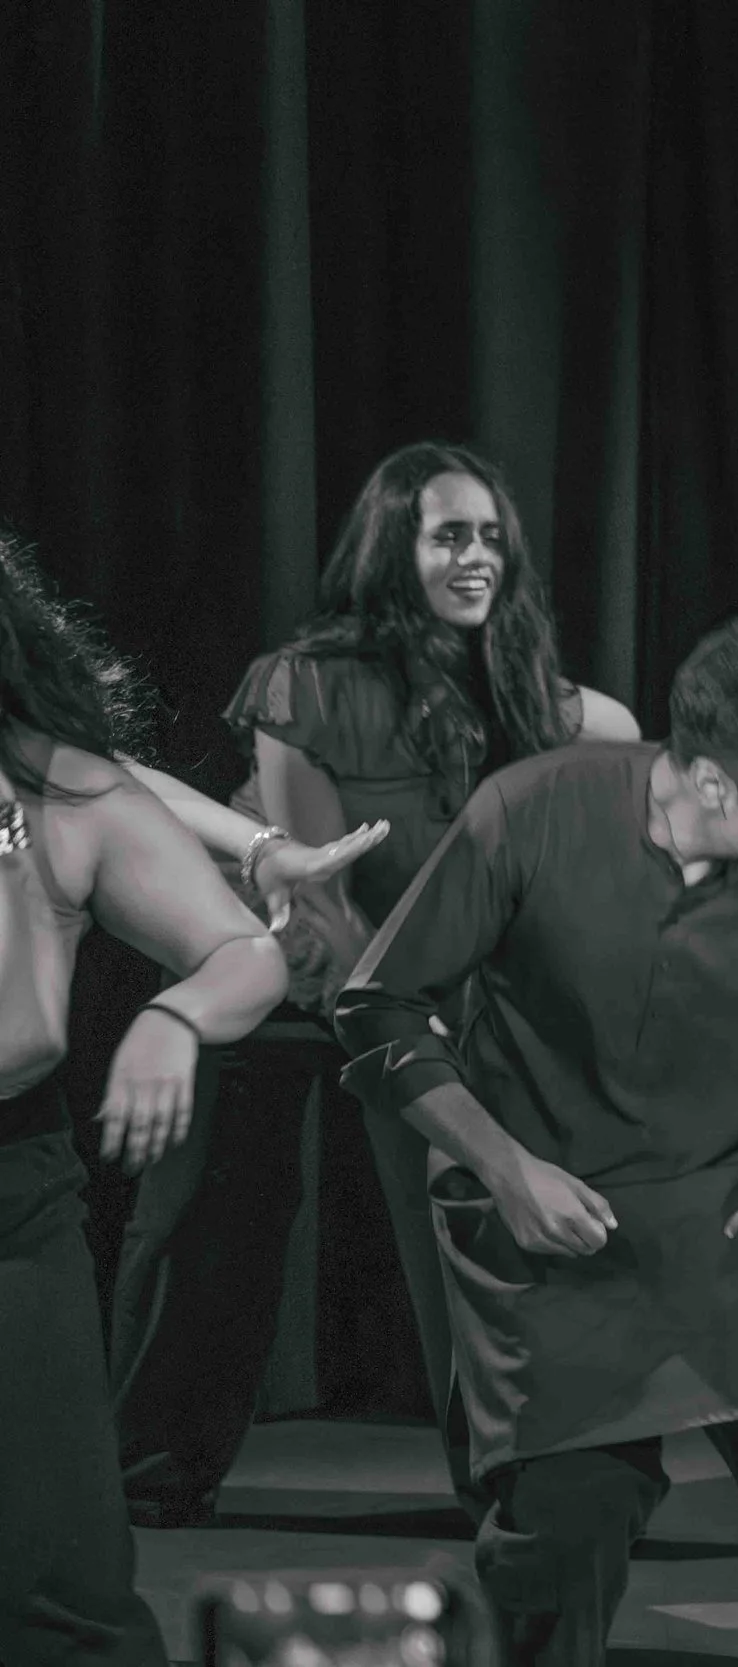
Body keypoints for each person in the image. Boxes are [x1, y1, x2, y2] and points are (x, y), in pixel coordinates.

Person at [331, 611, 738, 1667]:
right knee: (564, 1529)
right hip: (552, 1219)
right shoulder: (532, 811)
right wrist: (506, 1171)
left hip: (729, 1203)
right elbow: (378, 1011)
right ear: (709, 785)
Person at [110, 441, 640, 1528]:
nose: (476, 556)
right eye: (450, 534)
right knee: (208, 1205)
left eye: (491, 537)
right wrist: (404, 1033)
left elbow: (599, 788)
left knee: (460, 1211)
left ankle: (503, 1469)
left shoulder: (543, 702)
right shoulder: (304, 684)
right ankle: (147, 1467)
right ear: (393, 548)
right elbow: (320, 888)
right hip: (299, 963)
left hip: (435, 988)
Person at [0, 534, 288, 1667]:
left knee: (63, 1593)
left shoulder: (58, 792)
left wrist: (175, 1018)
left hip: (12, 1205)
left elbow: (241, 954)